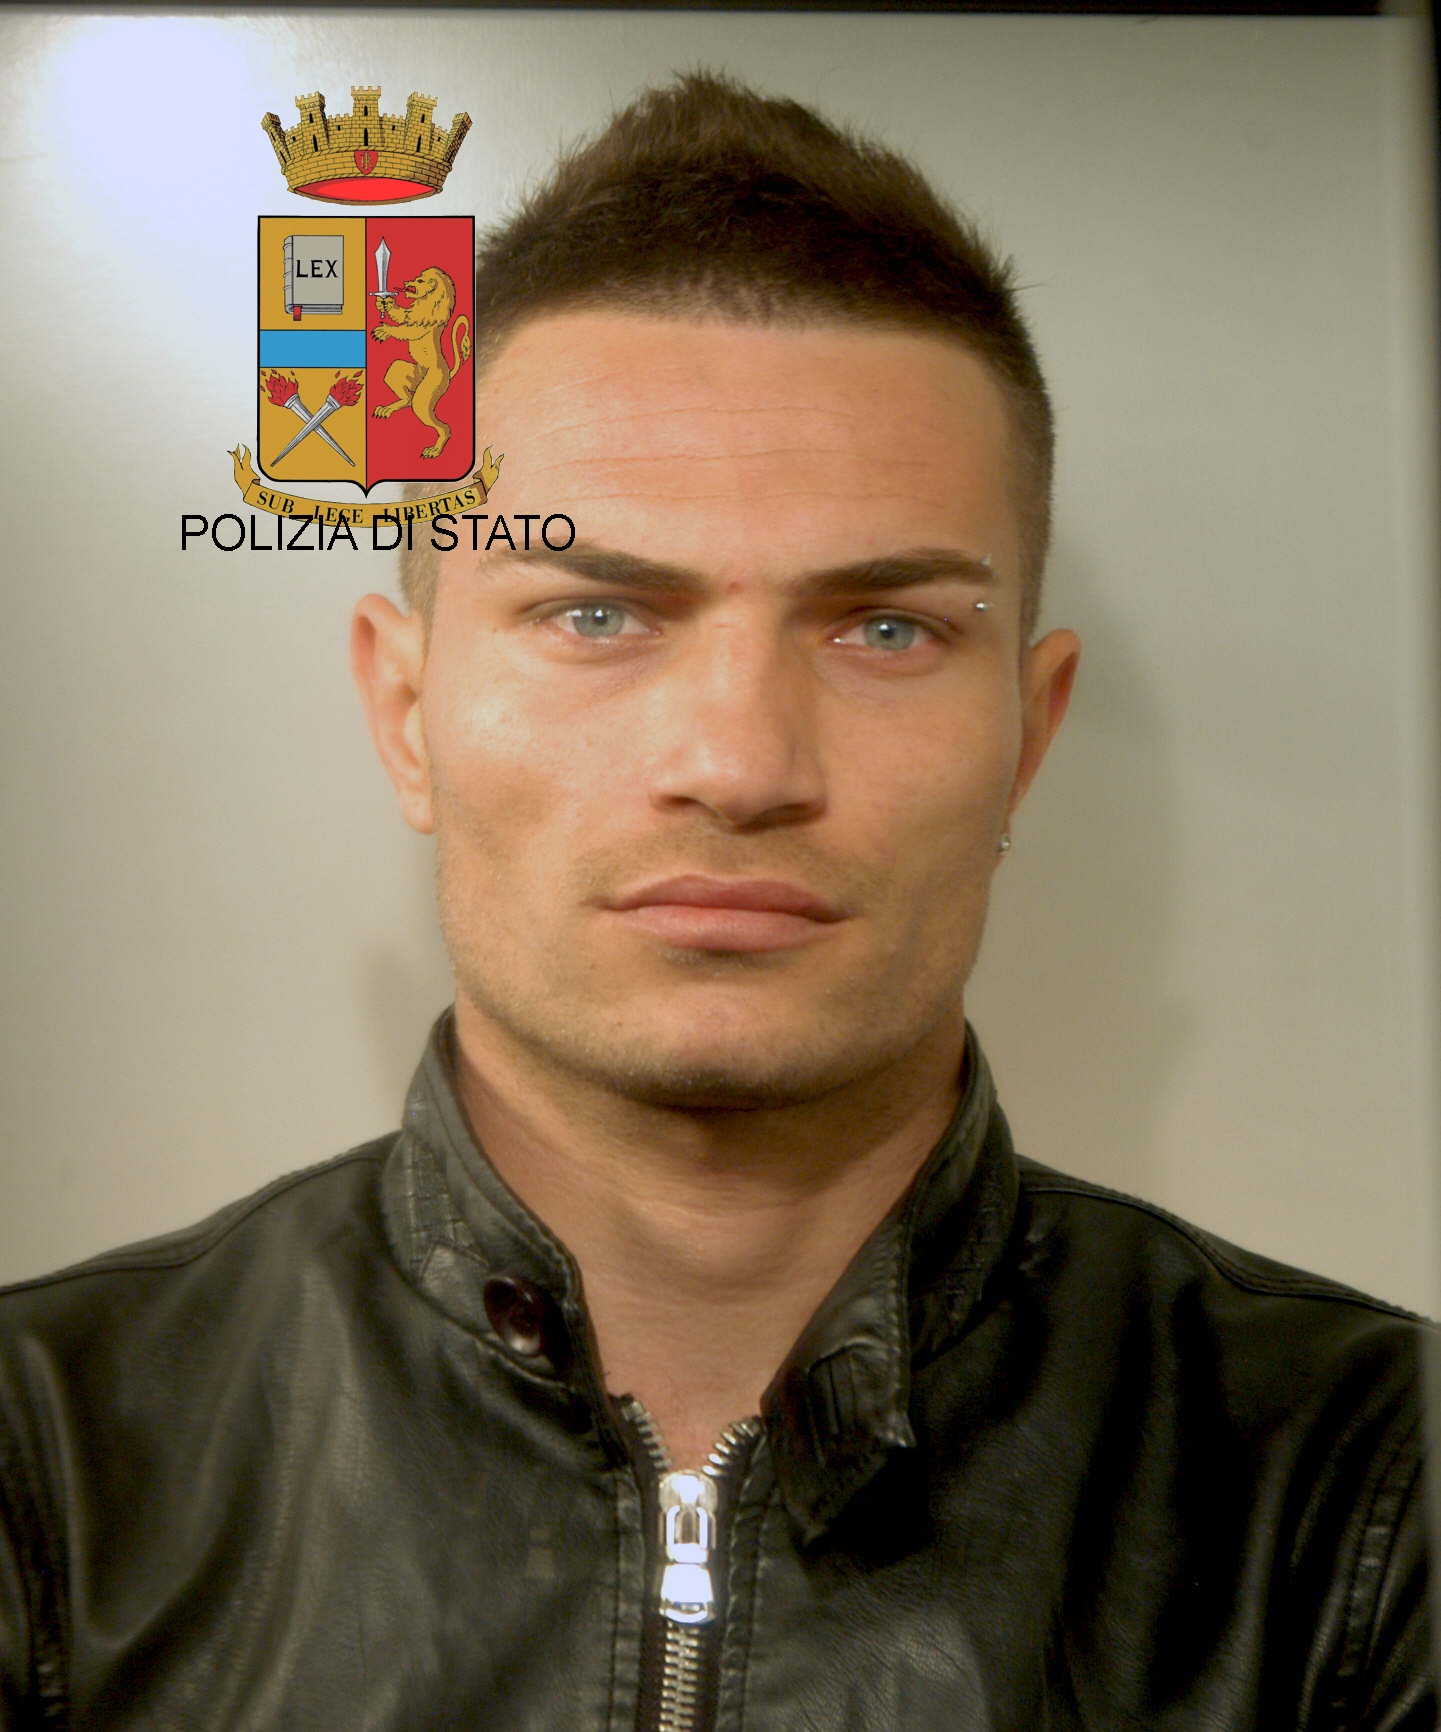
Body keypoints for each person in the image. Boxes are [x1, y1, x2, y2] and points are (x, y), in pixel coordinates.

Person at [0, 69, 1432, 1732]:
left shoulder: (1370, 1490)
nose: (739, 763)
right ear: (405, 713)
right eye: (597, 615)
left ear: (1026, 739)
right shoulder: (48, 1466)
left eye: (885, 629)